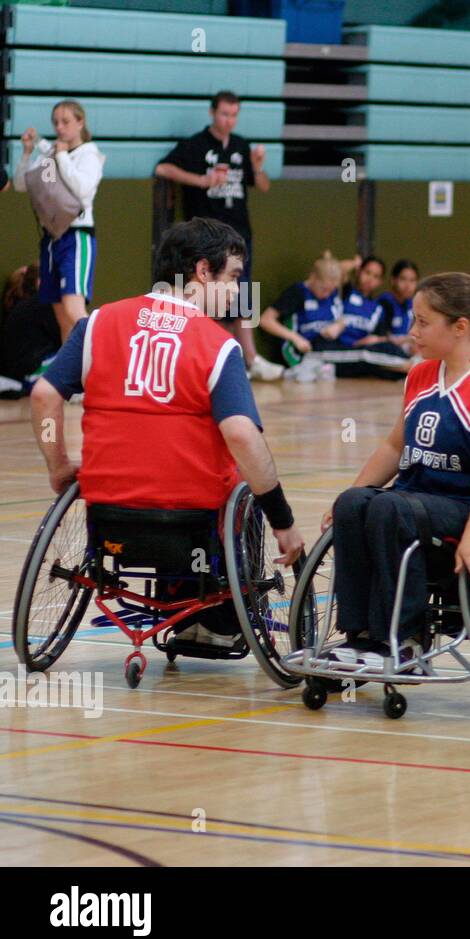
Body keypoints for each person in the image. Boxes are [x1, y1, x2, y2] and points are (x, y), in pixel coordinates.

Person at [29, 217, 305, 642]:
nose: (235, 292)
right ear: (201, 271)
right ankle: (216, 621)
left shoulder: (97, 324)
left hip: (109, 516)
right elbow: (242, 435)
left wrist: (57, 464)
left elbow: (44, 397)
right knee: (243, 476)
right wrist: (282, 520)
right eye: (232, 278)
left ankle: (187, 613)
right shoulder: (218, 345)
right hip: (190, 519)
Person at [321, 272, 470, 660]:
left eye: (422, 322)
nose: (411, 331)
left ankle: (405, 638)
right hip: (412, 500)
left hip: (461, 507)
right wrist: (352, 492)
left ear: (460, 327)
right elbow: (393, 446)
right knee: (352, 503)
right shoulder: (420, 374)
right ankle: (359, 634)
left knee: (387, 507)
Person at [155, 91, 281, 382]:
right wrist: (201, 180)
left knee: (244, 293)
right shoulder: (195, 145)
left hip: (239, 233)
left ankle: (251, 358)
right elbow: (163, 168)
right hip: (208, 236)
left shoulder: (241, 146)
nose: (229, 120)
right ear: (213, 113)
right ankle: (209, 355)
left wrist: (258, 165)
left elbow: (262, 185)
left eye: (234, 115)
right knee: (202, 293)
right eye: (225, 114)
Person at [13, 100, 105, 341]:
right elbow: (24, 185)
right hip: (52, 239)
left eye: (66, 122)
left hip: (76, 236)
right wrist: (27, 152)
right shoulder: (51, 155)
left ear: (80, 122)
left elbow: (82, 189)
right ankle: (70, 377)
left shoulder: (89, 154)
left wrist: (62, 155)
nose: (60, 128)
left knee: (75, 311)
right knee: (62, 318)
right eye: (55, 122)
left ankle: (105, 355)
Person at [312, 254, 415, 379]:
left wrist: (375, 339)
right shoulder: (346, 292)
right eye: (367, 272)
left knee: (386, 352)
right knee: (366, 356)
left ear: (380, 281)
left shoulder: (378, 308)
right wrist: (354, 264)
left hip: (361, 350)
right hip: (336, 346)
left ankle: (410, 369)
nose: (370, 279)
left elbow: (382, 337)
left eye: (376, 276)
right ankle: (413, 368)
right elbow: (335, 271)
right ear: (359, 272)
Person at [256, 252, 344, 382]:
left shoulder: (333, 293)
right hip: (300, 349)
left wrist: (339, 326)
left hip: (326, 344)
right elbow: (265, 320)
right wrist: (296, 338)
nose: (327, 294)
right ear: (313, 277)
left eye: (331, 291)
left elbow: (341, 319)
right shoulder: (298, 292)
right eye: (324, 289)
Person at [0, 264, 62, 398]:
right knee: (79, 350)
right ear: (41, 282)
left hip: (17, 374)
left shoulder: (22, 308)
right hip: (28, 375)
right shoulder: (43, 305)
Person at [377, 258, 419, 352]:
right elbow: (383, 338)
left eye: (412, 280)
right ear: (393, 280)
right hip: (388, 352)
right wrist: (409, 340)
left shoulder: (414, 305)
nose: (408, 285)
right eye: (403, 279)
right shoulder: (384, 302)